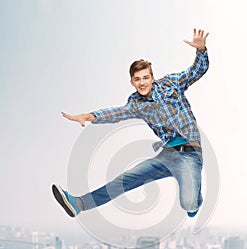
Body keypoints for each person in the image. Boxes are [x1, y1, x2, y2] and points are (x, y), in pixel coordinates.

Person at [52, 28, 209, 219]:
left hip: (190, 155)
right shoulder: (136, 103)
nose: (142, 83)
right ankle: (79, 203)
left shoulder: (171, 84)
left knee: (188, 204)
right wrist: (88, 116)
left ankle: (195, 201)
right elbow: (116, 113)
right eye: (137, 79)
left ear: (152, 78)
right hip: (166, 155)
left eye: (145, 78)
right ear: (132, 82)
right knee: (123, 180)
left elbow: (196, 71)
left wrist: (201, 50)